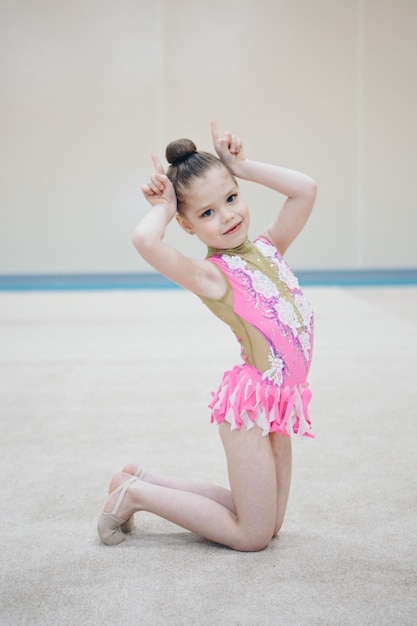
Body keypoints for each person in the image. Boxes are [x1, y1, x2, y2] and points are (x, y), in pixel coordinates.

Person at [97, 121, 317, 551]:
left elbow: (305, 188)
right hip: (250, 411)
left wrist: (243, 165)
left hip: (279, 405)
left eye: (231, 198)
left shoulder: (270, 247)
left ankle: (142, 479)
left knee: (268, 525)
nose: (228, 216)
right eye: (207, 213)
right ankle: (134, 497)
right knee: (252, 537)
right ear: (187, 224)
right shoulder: (211, 276)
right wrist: (164, 207)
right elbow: (144, 240)